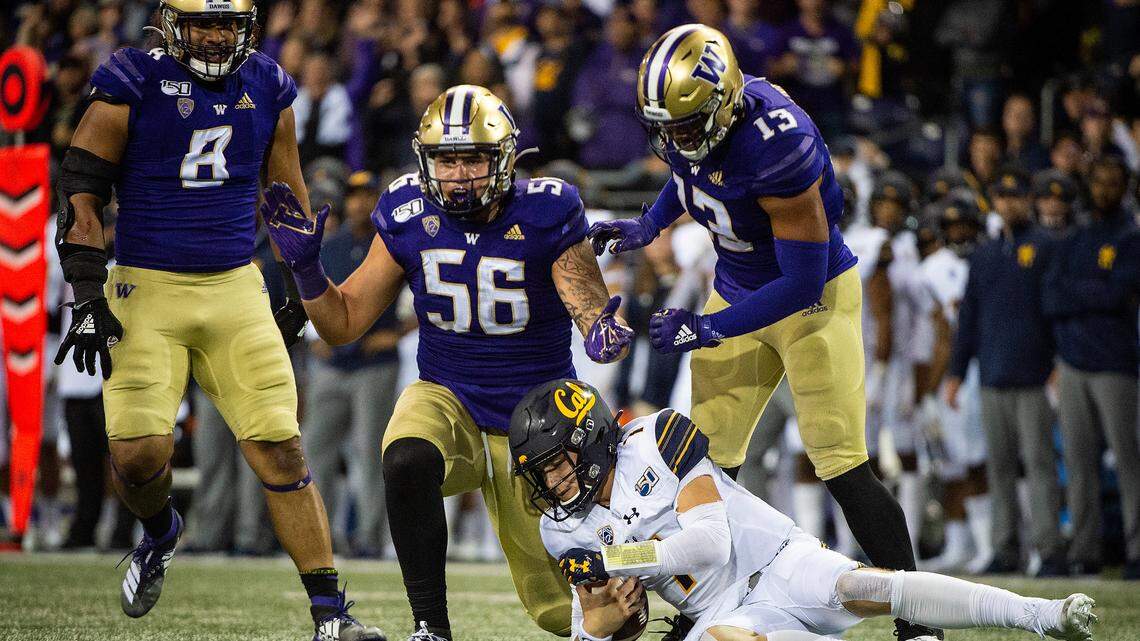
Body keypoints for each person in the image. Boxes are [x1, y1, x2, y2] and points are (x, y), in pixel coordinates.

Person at [51, 2, 383, 638]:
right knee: (139, 457)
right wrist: (88, 291)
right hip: (143, 284)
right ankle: (159, 530)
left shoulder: (266, 84)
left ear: (245, 27)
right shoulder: (132, 77)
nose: (215, 35)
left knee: (281, 449)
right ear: (173, 25)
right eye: (202, 23)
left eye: (226, 23)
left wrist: (299, 285)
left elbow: (287, 200)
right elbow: (80, 192)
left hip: (234, 286)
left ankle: (330, 615)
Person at [587, 24, 929, 640]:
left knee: (842, 465)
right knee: (705, 471)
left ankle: (921, 618)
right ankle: (706, 613)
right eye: (665, 127)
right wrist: (648, 225)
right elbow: (690, 177)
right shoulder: (692, 129)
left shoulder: (779, 147)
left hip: (812, 304)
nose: (674, 139)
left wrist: (708, 327)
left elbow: (801, 282)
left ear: (723, 103)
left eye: (686, 126)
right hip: (739, 289)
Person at [261, 85, 634, 641]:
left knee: (573, 615)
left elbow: (585, 299)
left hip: (539, 418)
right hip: (447, 393)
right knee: (406, 459)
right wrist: (309, 272)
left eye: (473, 159)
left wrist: (601, 326)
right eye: (447, 160)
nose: (459, 174)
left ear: (503, 158)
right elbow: (342, 324)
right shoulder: (406, 210)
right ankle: (430, 628)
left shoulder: (548, 208)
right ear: (426, 160)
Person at [510, 378, 1098, 641]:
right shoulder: (561, 529)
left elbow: (712, 541)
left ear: (589, 441)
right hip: (716, 610)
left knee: (873, 585)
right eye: (541, 473)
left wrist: (617, 561)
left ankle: (1042, 616)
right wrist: (606, 622)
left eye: (556, 462)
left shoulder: (655, 438)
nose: (552, 482)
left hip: (775, 558)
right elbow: (604, 629)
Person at [945, 168, 1066, 577]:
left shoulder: (1047, 246)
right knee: (998, 467)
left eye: (1015, 196)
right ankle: (1005, 547)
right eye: (1002, 197)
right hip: (993, 376)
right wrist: (956, 373)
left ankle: (1050, 550)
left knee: (1039, 465)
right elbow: (970, 320)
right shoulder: (985, 254)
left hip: (1034, 375)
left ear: (1026, 200)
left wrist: (1057, 364)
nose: (1008, 204)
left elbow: (1057, 314)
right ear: (994, 203)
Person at [1043, 156, 1140, 579]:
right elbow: (1051, 296)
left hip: (1115, 364)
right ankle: (1085, 551)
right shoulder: (1076, 235)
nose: (1103, 189)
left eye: (1112, 182)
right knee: (1079, 464)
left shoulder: (1130, 236)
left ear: (1124, 187)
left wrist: (1080, 294)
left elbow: (1121, 294)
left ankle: (1137, 553)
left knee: (1130, 461)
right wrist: (1093, 292)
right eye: (1098, 181)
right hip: (1073, 365)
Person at [301, 170, 405, 558]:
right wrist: (313, 337)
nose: (361, 202)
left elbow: (420, 296)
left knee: (370, 453)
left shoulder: (393, 242)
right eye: (354, 196)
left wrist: (397, 333)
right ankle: (319, 538)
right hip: (330, 364)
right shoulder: (331, 244)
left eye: (368, 195)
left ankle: (369, 537)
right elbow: (310, 296)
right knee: (315, 450)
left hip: (374, 364)